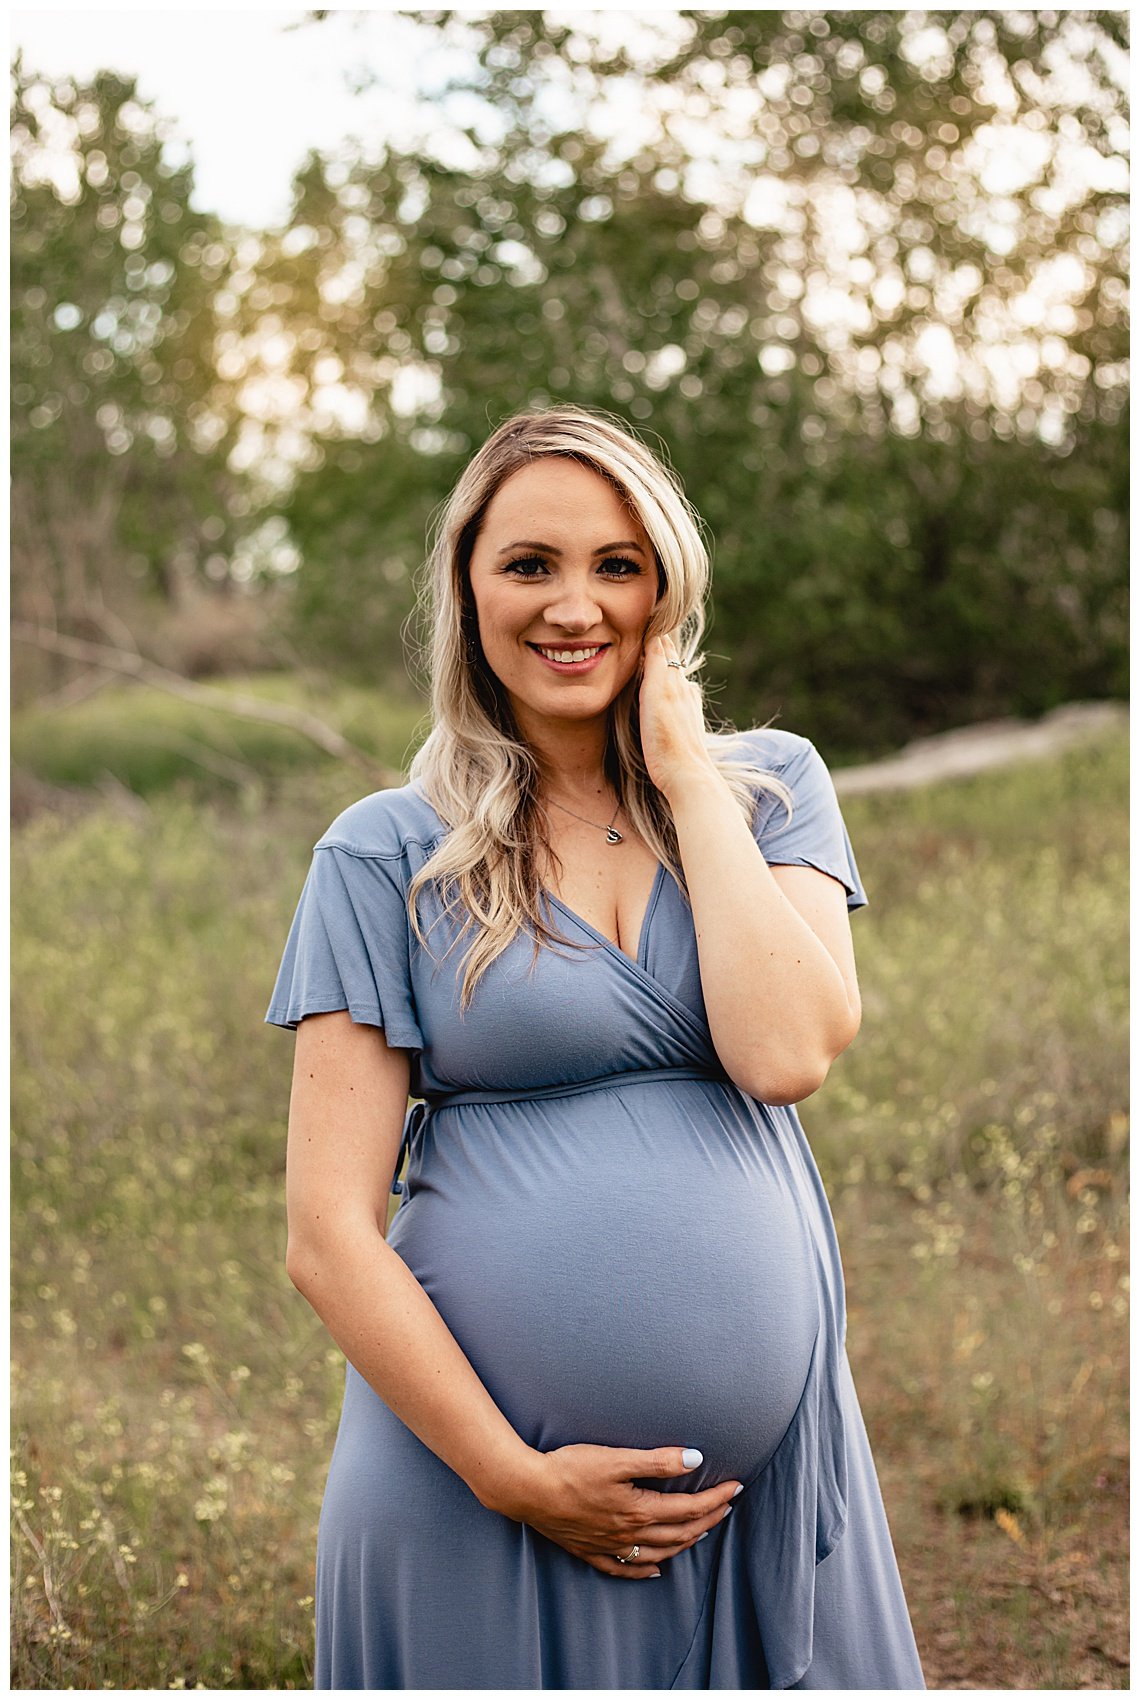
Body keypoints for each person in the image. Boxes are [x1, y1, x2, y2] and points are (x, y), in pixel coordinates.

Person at [266, 406, 926, 1690]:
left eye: (616, 564)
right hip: (475, 1493)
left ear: (666, 587)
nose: (575, 606)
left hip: (764, 1498)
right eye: (530, 564)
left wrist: (684, 774)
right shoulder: (382, 850)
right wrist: (513, 1475)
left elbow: (786, 1050)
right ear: (468, 588)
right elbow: (325, 1231)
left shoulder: (769, 788)